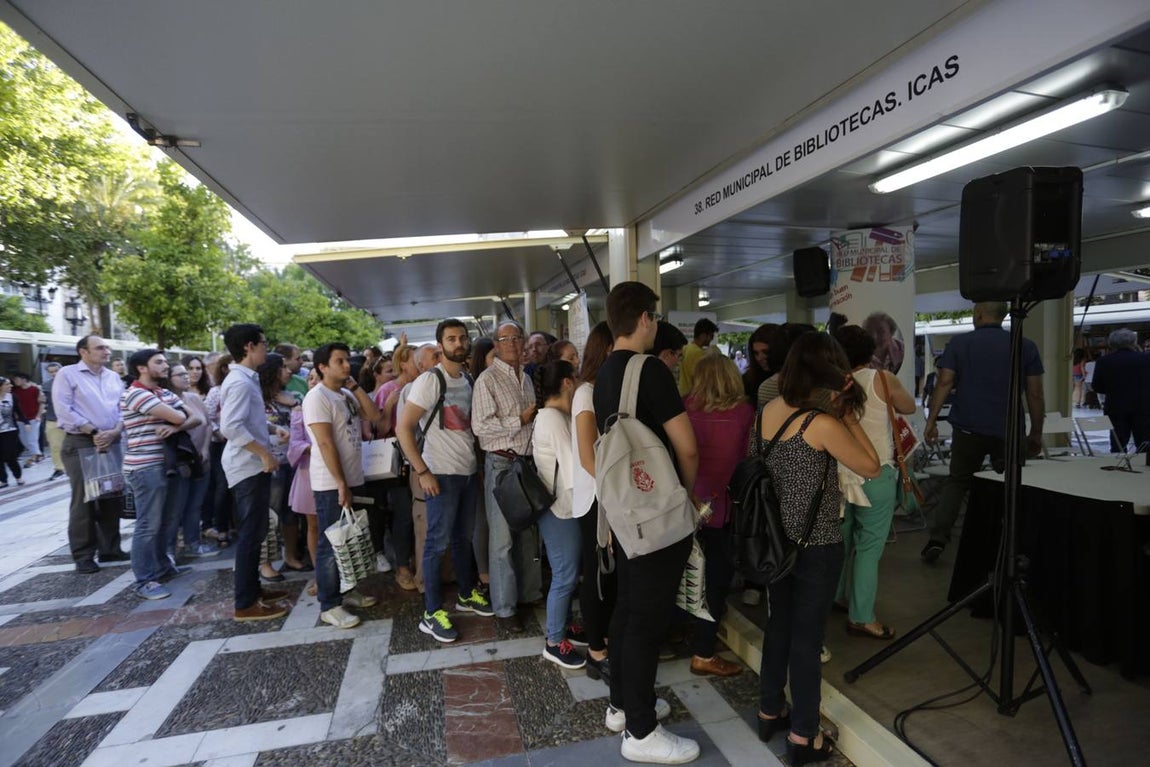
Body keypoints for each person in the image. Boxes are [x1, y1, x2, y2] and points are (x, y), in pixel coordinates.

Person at [756, 332, 880, 765]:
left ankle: (769, 711)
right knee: (807, 641)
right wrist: (847, 416)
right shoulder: (821, 424)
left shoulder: (767, 411)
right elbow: (871, 466)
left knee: (779, 627)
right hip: (816, 545)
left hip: (775, 543)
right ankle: (804, 736)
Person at [593, 282, 701, 764]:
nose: (656, 325)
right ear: (643, 319)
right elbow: (687, 447)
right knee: (646, 621)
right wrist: (685, 497)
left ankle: (622, 704)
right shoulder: (650, 369)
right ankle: (641, 731)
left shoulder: (602, 375)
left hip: (622, 512)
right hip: (657, 512)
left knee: (628, 609)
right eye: (654, 317)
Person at [921, 302, 1044, 563]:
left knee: (957, 482)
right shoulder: (1025, 345)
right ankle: (1010, 541)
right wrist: (1036, 432)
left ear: (978, 314)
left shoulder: (959, 344)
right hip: (1009, 428)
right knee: (1013, 483)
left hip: (968, 427)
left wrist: (931, 420)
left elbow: (944, 382)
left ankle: (938, 539)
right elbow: (1034, 393)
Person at [396, 319, 493, 643]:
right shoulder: (430, 380)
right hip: (440, 474)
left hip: (466, 472)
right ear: (441, 346)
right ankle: (431, 612)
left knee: (462, 539)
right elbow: (403, 428)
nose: (459, 343)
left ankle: (466, 594)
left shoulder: (467, 379)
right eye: (451, 339)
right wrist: (423, 471)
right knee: (436, 544)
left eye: (462, 338)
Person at [832, 325, 916, 640]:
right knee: (868, 548)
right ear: (870, 352)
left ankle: (835, 596)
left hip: (839, 475)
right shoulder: (882, 379)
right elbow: (909, 407)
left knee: (840, 542)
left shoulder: (831, 384)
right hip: (875, 473)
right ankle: (862, 617)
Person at [683, 353, 753, 677]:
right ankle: (704, 652)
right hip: (724, 507)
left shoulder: (684, 407)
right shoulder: (744, 413)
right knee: (715, 580)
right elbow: (748, 459)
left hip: (687, 503)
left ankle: (682, 633)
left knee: (685, 572)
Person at [303, 342, 383, 629]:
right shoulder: (317, 397)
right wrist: (340, 483)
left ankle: (348, 590)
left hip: (353, 477)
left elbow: (374, 416)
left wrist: (356, 387)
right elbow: (325, 443)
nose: (347, 365)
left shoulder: (346, 394)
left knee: (350, 539)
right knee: (331, 542)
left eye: (347, 360)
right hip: (331, 483)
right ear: (322, 367)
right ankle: (329, 604)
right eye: (339, 361)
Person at [473, 321, 543, 632]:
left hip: (525, 463)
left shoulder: (525, 377)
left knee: (527, 534)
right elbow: (481, 427)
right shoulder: (487, 380)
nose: (513, 343)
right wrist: (520, 419)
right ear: (496, 344)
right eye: (505, 338)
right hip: (501, 464)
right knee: (502, 540)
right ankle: (504, 609)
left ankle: (528, 594)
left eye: (517, 337)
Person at [219, 324, 289, 622]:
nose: (266, 349)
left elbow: (247, 420)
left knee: (257, 531)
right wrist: (263, 453)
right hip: (247, 466)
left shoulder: (246, 378)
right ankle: (245, 603)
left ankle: (254, 591)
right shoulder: (239, 381)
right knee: (250, 534)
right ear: (249, 346)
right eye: (263, 343)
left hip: (252, 464)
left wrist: (272, 429)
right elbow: (230, 427)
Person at [120, 349, 201, 600]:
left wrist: (174, 428)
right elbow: (178, 415)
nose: (165, 365)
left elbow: (196, 418)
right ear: (142, 368)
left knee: (168, 521)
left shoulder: (163, 393)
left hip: (168, 465)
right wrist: (177, 421)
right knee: (148, 525)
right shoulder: (136, 394)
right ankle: (144, 580)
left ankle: (162, 567)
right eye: (159, 362)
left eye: (165, 361)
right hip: (145, 468)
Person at [53, 335, 128, 572]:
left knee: (111, 497)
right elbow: (64, 410)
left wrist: (115, 430)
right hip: (82, 441)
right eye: (100, 348)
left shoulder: (113, 376)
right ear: (83, 352)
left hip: (111, 440)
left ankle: (110, 548)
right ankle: (83, 555)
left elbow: (122, 408)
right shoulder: (67, 374)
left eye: (107, 347)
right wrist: (94, 431)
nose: (106, 351)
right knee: (85, 500)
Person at [531, 359, 585, 669]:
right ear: (567, 383)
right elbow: (573, 470)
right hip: (560, 509)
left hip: (562, 507)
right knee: (564, 575)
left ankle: (563, 626)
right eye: (576, 377)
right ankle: (553, 641)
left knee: (568, 572)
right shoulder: (552, 418)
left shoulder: (554, 416)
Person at [573, 321, 615, 683]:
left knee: (609, 574)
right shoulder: (586, 393)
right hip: (595, 498)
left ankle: (606, 641)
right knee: (596, 573)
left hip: (609, 495)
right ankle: (596, 651)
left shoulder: (604, 389)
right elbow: (589, 459)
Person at [259, 353, 306, 581]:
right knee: (270, 513)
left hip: (293, 461)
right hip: (270, 462)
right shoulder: (257, 398)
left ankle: (291, 555)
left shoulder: (292, 396)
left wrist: (295, 404)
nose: (289, 371)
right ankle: (265, 562)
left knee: (291, 512)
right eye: (283, 368)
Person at [164, 363, 218, 559]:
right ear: (169, 378)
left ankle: (192, 543)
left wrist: (205, 449)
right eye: (180, 374)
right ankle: (169, 550)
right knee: (176, 508)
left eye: (186, 374)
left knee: (195, 505)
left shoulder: (193, 398)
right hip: (180, 460)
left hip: (200, 458)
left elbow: (208, 424)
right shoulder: (164, 400)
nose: (186, 377)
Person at [288, 368, 321, 596]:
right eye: (310, 378)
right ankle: (321, 574)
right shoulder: (299, 412)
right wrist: (316, 448)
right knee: (313, 525)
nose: (313, 382)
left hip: (336, 470)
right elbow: (295, 443)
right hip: (309, 471)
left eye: (317, 378)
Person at [1090, 328, 1150, 453]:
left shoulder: (1104, 361)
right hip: (1143, 407)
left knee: (1118, 444)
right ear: (1133, 342)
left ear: (1112, 343)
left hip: (1115, 407)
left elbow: (1097, 386)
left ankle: (1119, 465)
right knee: (1144, 444)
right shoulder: (1146, 359)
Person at [467, 336, 496, 588]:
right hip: (480, 460)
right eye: (494, 357)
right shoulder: (477, 386)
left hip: (490, 459)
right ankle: (484, 575)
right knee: (482, 520)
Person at [203, 354, 234, 548]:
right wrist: (218, 432)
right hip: (221, 444)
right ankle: (222, 528)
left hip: (240, 443)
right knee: (223, 487)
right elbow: (207, 416)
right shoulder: (216, 391)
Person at [11, 373, 44, 468]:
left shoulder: (35, 389)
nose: (15, 381)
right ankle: (38, 455)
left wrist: (38, 416)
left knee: (32, 439)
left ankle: (33, 458)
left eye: (17, 379)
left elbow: (41, 403)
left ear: (24, 379)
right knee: (23, 439)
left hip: (33, 417)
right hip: (21, 419)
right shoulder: (15, 390)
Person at [678, 317, 718, 395]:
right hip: (693, 395)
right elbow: (701, 379)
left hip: (684, 393)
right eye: (711, 336)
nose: (712, 339)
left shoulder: (686, 348)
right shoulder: (698, 353)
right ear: (703, 335)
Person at [41, 362, 66, 479]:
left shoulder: (72, 382)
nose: (54, 374)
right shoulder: (46, 386)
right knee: (55, 445)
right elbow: (43, 402)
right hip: (53, 419)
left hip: (72, 418)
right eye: (51, 372)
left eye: (56, 371)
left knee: (77, 444)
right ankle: (59, 469)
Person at [0, 377, 26, 488]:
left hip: (10, 430)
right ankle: (3, 480)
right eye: (7, 384)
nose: (10, 386)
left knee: (11, 456)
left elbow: (18, 411)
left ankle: (18, 477)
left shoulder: (12, 397)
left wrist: (26, 422)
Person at [743, 323, 780, 399]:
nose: (759, 358)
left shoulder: (791, 379)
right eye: (756, 353)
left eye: (766, 352)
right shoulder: (748, 379)